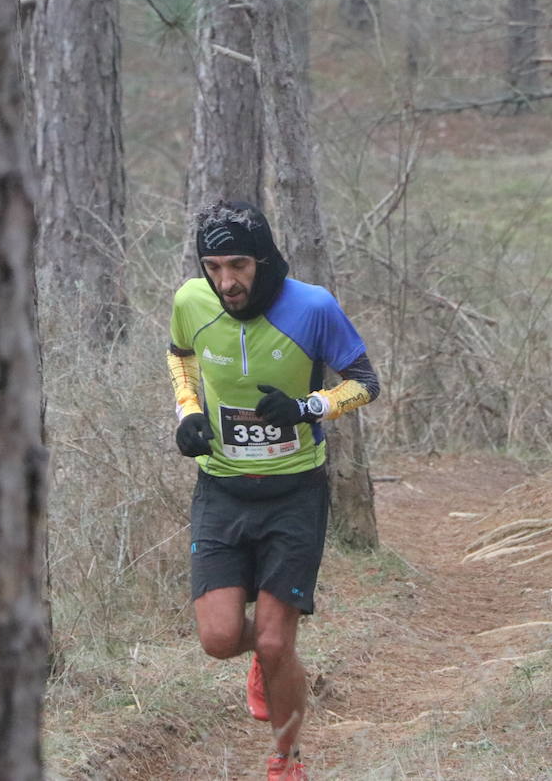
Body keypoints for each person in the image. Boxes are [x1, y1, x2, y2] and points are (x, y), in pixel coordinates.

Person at [167, 200, 381, 781]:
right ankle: (268, 657)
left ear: (263, 260)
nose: (227, 281)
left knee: (273, 638)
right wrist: (186, 413)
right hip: (222, 490)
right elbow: (180, 358)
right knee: (217, 639)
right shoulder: (192, 301)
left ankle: (286, 761)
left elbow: (364, 383)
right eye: (214, 267)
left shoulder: (312, 306)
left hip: (294, 493)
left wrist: (308, 407)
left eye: (238, 265)